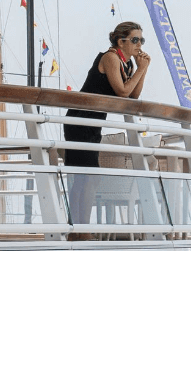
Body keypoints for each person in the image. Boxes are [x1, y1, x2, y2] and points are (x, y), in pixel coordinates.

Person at [63, 22, 151, 239]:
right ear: (121, 41)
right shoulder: (110, 58)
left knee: (86, 178)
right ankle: (80, 230)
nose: (139, 44)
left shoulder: (127, 63)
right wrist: (140, 69)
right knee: (86, 176)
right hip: (80, 120)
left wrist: (143, 68)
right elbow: (122, 92)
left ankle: (77, 229)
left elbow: (133, 96)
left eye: (142, 40)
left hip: (94, 123)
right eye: (135, 40)